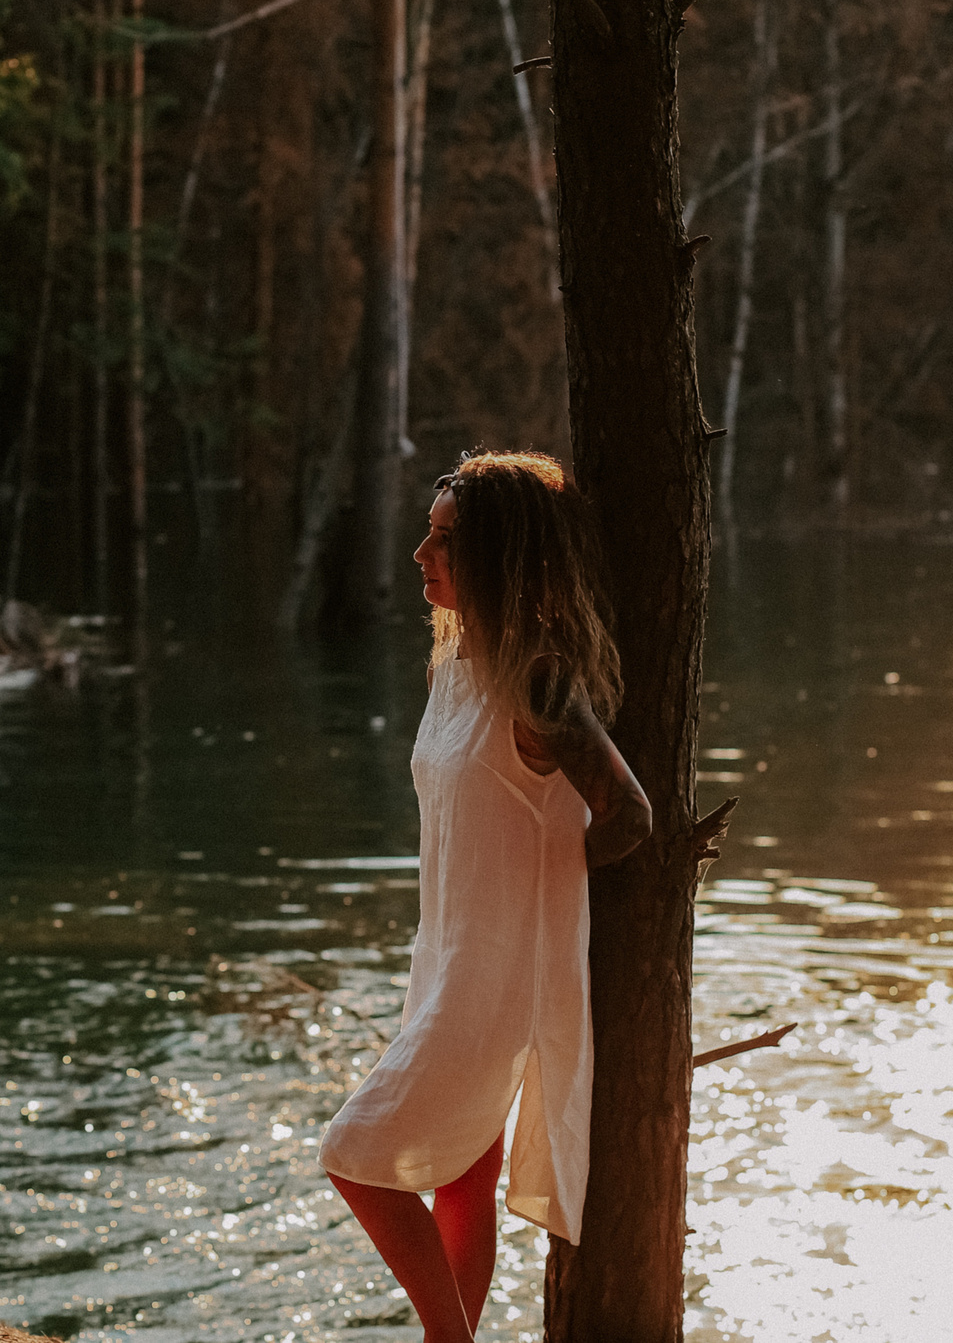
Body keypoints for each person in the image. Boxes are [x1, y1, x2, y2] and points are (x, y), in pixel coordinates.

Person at [318, 450, 652, 1341]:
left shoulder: (539, 678)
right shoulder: (457, 668)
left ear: (500, 555)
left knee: (351, 1151)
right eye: (428, 532)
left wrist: (551, 878)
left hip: (499, 974)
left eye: (445, 539)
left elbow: (630, 813)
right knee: (462, 1171)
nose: (420, 552)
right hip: (446, 957)